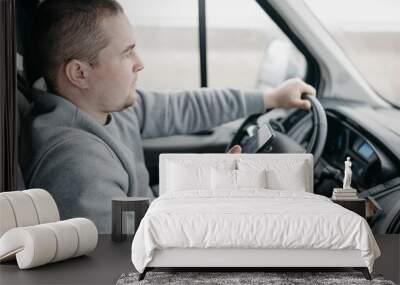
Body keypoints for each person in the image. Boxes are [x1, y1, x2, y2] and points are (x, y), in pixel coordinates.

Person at [22, 0, 316, 233]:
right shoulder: (75, 163)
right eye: (127, 53)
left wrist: (269, 98)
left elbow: (183, 107)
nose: (140, 63)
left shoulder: (106, 107)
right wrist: (214, 192)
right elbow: (126, 251)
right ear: (80, 73)